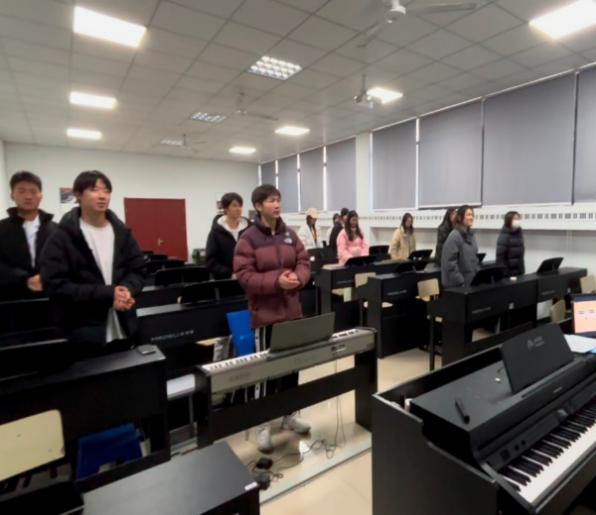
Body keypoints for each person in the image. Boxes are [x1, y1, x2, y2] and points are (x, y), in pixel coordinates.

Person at [233, 184, 311, 453]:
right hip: (266, 315)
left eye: (278, 200)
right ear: (258, 206)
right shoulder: (248, 239)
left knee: (292, 366)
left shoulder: (289, 234)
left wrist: (297, 278)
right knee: (265, 371)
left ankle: (290, 413)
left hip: (291, 311)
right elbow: (244, 276)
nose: (276, 205)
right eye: (270, 201)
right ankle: (262, 422)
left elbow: (304, 261)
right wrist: (277, 282)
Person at [40, 171, 146, 354]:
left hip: (124, 326)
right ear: (78, 194)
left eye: (106, 191)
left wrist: (126, 290)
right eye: (94, 189)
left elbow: (138, 270)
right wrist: (108, 293)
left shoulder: (122, 232)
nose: (102, 195)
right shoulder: (62, 236)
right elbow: (55, 285)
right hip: (82, 332)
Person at [0, 171, 57, 300]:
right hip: (11, 297)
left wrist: (44, 276)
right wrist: (24, 278)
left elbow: (63, 261)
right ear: (12, 195)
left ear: (41, 196)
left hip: (50, 297)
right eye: (21, 191)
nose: (28, 196)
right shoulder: (2, 228)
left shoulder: (56, 229)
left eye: (33, 191)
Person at [205, 192, 250, 279]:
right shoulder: (216, 232)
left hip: (248, 278)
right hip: (225, 280)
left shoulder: (249, 229)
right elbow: (211, 261)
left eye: (240, 206)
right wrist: (229, 274)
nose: (238, 209)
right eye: (234, 205)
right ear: (226, 208)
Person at [441, 205, 479, 288]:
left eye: (472, 215)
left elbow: (475, 259)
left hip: (470, 284)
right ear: (459, 217)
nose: (471, 217)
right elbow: (450, 264)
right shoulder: (454, 236)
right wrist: (461, 282)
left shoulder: (472, 236)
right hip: (458, 287)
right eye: (468, 215)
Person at [496, 211, 525, 277]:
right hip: (508, 275)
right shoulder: (504, 236)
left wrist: (522, 271)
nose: (517, 221)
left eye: (518, 218)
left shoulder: (519, 234)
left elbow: (521, 257)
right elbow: (500, 259)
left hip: (519, 273)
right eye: (515, 219)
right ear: (508, 220)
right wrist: (504, 276)